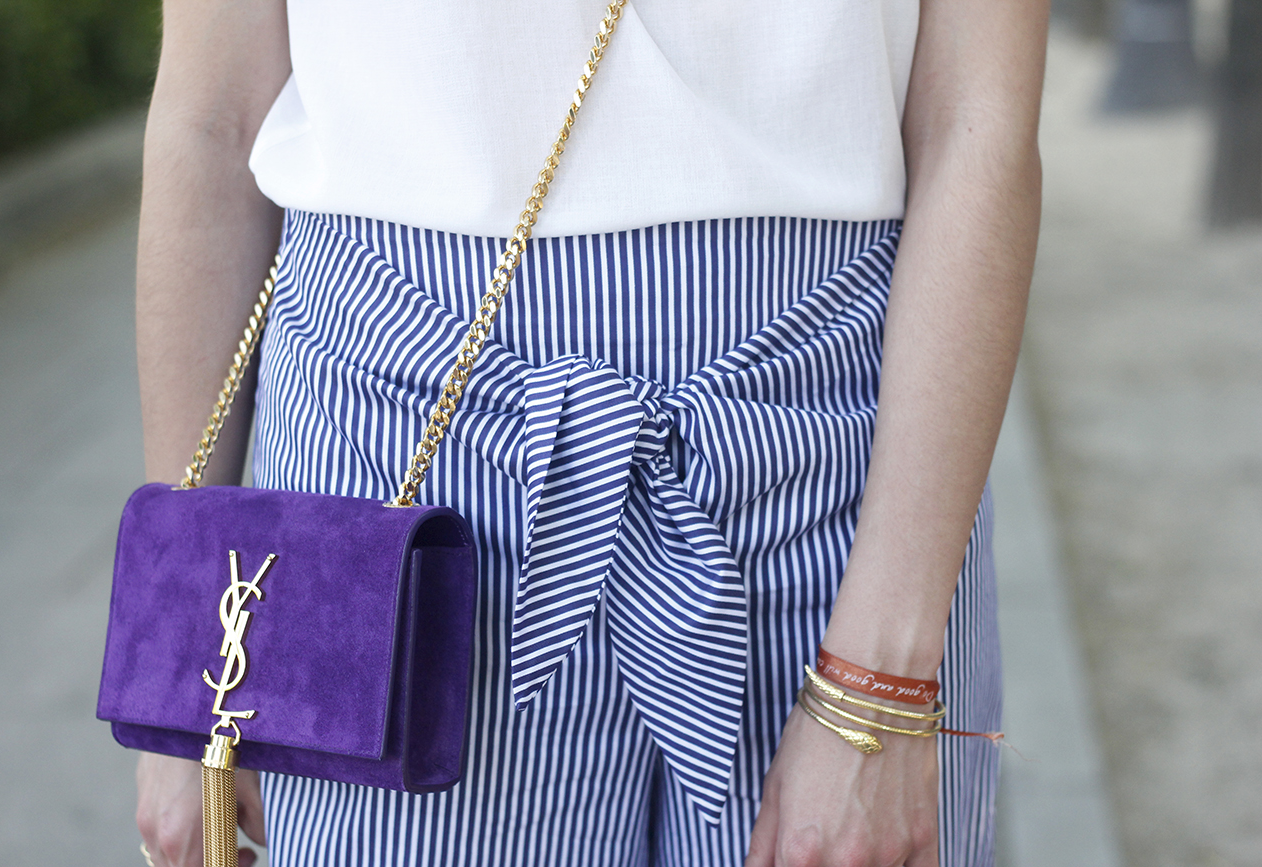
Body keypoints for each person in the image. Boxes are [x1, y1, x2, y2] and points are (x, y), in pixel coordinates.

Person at [131, 1, 1047, 865]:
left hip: (837, 467)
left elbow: (979, 121)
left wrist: (879, 683)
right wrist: (182, 670)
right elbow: (214, 117)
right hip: (388, 471)